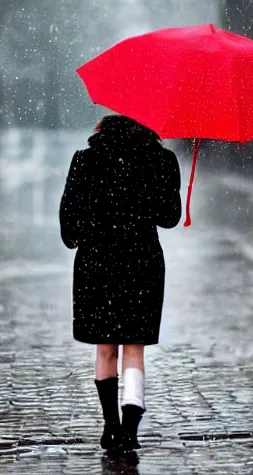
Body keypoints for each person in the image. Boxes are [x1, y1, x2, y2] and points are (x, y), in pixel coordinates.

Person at [59, 115, 181, 454]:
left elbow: (70, 224)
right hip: (142, 261)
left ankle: (110, 427)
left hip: (97, 262)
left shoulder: (86, 159)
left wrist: (91, 229)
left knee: (105, 349)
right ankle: (130, 431)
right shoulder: (161, 159)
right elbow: (169, 217)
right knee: (134, 348)